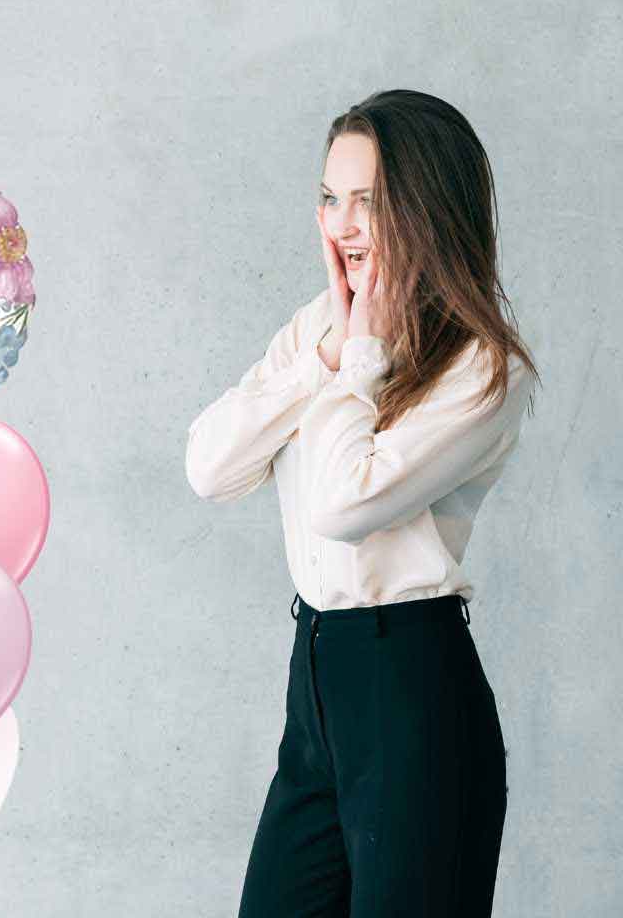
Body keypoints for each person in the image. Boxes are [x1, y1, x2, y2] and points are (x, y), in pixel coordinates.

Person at [184, 90, 541, 917]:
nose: (341, 225)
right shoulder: (321, 325)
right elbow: (210, 467)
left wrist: (360, 360)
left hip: (408, 686)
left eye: (369, 203)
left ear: (427, 208)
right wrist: (326, 357)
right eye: (329, 197)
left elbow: (342, 506)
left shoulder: (483, 367)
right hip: (314, 682)